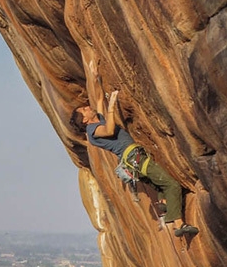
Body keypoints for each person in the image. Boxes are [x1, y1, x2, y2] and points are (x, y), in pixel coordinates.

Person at [72, 83, 198, 238]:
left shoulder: (98, 120)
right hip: (134, 159)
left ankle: (164, 203)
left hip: (134, 161)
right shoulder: (92, 131)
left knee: (160, 185)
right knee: (171, 184)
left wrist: (95, 75)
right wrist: (111, 106)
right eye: (84, 110)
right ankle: (179, 224)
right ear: (84, 120)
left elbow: (98, 98)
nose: (87, 107)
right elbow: (109, 130)